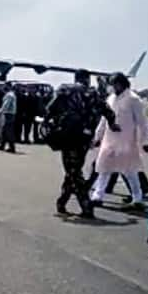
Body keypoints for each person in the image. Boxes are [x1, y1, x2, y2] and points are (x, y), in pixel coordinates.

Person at [46, 70, 119, 217]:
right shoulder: (94, 93)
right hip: (85, 138)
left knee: (73, 171)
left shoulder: (65, 89)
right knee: (74, 169)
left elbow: (50, 109)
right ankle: (62, 202)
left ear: (76, 78)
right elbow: (108, 111)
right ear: (87, 79)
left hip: (68, 136)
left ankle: (86, 206)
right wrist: (112, 124)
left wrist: (50, 124)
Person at [90, 73, 148, 210]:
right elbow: (104, 120)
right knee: (104, 168)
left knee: (130, 171)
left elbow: (142, 122)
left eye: (114, 84)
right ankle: (97, 196)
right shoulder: (111, 99)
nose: (112, 87)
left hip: (126, 140)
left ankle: (137, 198)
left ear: (122, 83)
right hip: (109, 140)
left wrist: (146, 142)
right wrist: (97, 137)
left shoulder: (133, 99)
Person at [0, 83, 18, 153]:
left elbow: (6, 105)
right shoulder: (12, 94)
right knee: (4, 130)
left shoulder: (9, 95)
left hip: (9, 114)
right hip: (10, 114)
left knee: (8, 131)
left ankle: (12, 147)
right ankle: (2, 145)